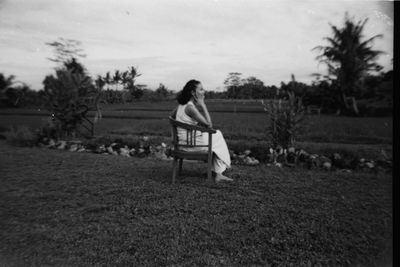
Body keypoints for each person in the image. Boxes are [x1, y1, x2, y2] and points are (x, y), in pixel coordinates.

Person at [171, 79, 233, 182]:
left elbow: (171, 118)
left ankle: (216, 171)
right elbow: (209, 126)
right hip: (192, 146)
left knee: (217, 136)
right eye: (201, 89)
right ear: (193, 92)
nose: (203, 91)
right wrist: (203, 104)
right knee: (217, 135)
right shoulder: (190, 108)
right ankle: (218, 173)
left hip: (182, 143)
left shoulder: (181, 105)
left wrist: (173, 136)